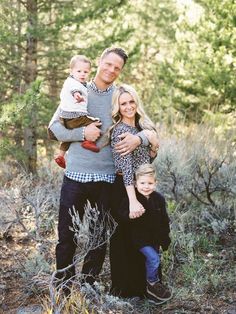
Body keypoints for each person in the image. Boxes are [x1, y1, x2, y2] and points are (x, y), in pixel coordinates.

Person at [47, 47, 149, 292]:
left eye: (117, 68)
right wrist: (83, 133)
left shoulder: (119, 96)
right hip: (75, 177)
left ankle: (88, 287)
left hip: (106, 180)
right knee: (67, 237)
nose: (112, 70)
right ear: (100, 62)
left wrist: (141, 138)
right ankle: (64, 289)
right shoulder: (77, 89)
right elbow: (53, 129)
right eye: (109, 64)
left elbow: (146, 125)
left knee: (98, 239)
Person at [108, 84, 161, 299]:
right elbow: (126, 168)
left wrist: (153, 146)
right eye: (123, 103)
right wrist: (132, 200)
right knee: (126, 241)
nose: (128, 106)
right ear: (117, 107)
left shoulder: (141, 127)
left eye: (131, 101)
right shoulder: (120, 131)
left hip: (142, 189)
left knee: (145, 237)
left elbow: (148, 158)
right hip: (125, 191)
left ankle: (146, 287)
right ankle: (125, 291)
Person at [117, 163, 172, 303]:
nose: (146, 186)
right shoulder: (132, 199)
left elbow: (164, 220)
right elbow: (121, 215)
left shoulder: (158, 199)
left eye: (150, 183)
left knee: (153, 260)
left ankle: (152, 291)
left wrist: (165, 238)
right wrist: (129, 215)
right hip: (139, 240)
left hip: (154, 239)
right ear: (135, 183)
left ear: (155, 183)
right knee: (154, 259)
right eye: (142, 183)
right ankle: (152, 283)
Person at [53, 55, 100, 169]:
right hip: (74, 116)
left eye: (86, 71)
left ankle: (60, 156)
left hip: (65, 118)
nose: (82, 74)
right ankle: (89, 141)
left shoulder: (76, 82)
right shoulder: (74, 83)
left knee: (68, 138)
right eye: (79, 71)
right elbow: (75, 91)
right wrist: (77, 96)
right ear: (71, 71)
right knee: (97, 122)